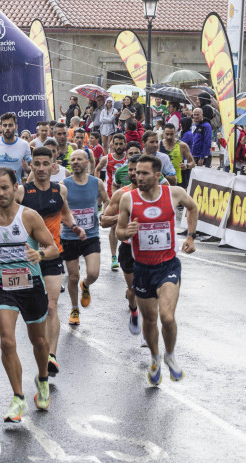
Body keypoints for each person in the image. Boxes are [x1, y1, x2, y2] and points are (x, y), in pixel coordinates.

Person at [0, 167, 61, 423]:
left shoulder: (29, 217)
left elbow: (53, 247)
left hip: (31, 286)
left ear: (15, 187)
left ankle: (42, 380)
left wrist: (40, 255)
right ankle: (18, 397)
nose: (1, 193)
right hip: (4, 288)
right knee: (7, 342)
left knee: (40, 343)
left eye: (5, 188)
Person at [116, 155, 198, 385]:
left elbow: (193, 208)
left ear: (156, 175)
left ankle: (170, 355)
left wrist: (191, 236)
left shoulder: (174, 194)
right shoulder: (128, 199)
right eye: (136, 173)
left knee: (167, 316)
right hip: (142, 268)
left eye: (143, 173)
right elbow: (118, 232)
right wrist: (127, 233)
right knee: (150, 320)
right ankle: (155, 358)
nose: (137, 176)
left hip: (168, 265)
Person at [18, 147, 84, 375]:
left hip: (52, 254)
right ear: (32, 166)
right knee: (34, 310)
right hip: (26, 258)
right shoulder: (21, 192)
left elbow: (64, 214)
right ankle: (40, 347)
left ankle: (51, 356)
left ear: (54, 165)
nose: (42, 168)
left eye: (46, 163)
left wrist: (74, 226)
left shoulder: (60, 190)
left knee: (51, 306)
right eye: (37, 164)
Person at [61, 150, 109, 324]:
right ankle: (74, 309)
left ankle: (86, 284)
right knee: (73, 277)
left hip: (91, 235)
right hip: (69, 236)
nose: (75, 162)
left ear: (87, 162)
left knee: (93, 273)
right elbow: (60, 210)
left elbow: (108, 202)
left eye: (79, 159)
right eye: (72, 159)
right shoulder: (63, 185)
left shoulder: (97, 183)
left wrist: (105, 215)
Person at [101, 154, 143, 335]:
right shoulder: (121, 194)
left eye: (138, 170)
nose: (134, 173)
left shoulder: (158, 192)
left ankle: (146, 331)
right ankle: (134, 310)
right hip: (128, 247)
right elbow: (103, 221)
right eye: (131, 170)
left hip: (152, 250)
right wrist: (123, 216)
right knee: (133, 290)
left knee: (151, 291)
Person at [95, 133, 128, 271]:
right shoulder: (106, 158)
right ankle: (114, 256)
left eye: (121, 144)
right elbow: (97, 170)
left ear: (125, 144)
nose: (119, 147)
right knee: (113, 225)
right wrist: (98, 187)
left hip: (126, 195)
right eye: (116, 144)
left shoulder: (129, 158)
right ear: (112, 144)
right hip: (111, 196)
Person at [0, 112, 32, 183]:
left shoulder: (24, 144)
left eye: (10, 125)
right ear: (1, 127)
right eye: (5, 125)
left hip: (15, 188)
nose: (7, 128)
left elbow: (31, 168)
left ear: (16, 127)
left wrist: (27, 168)